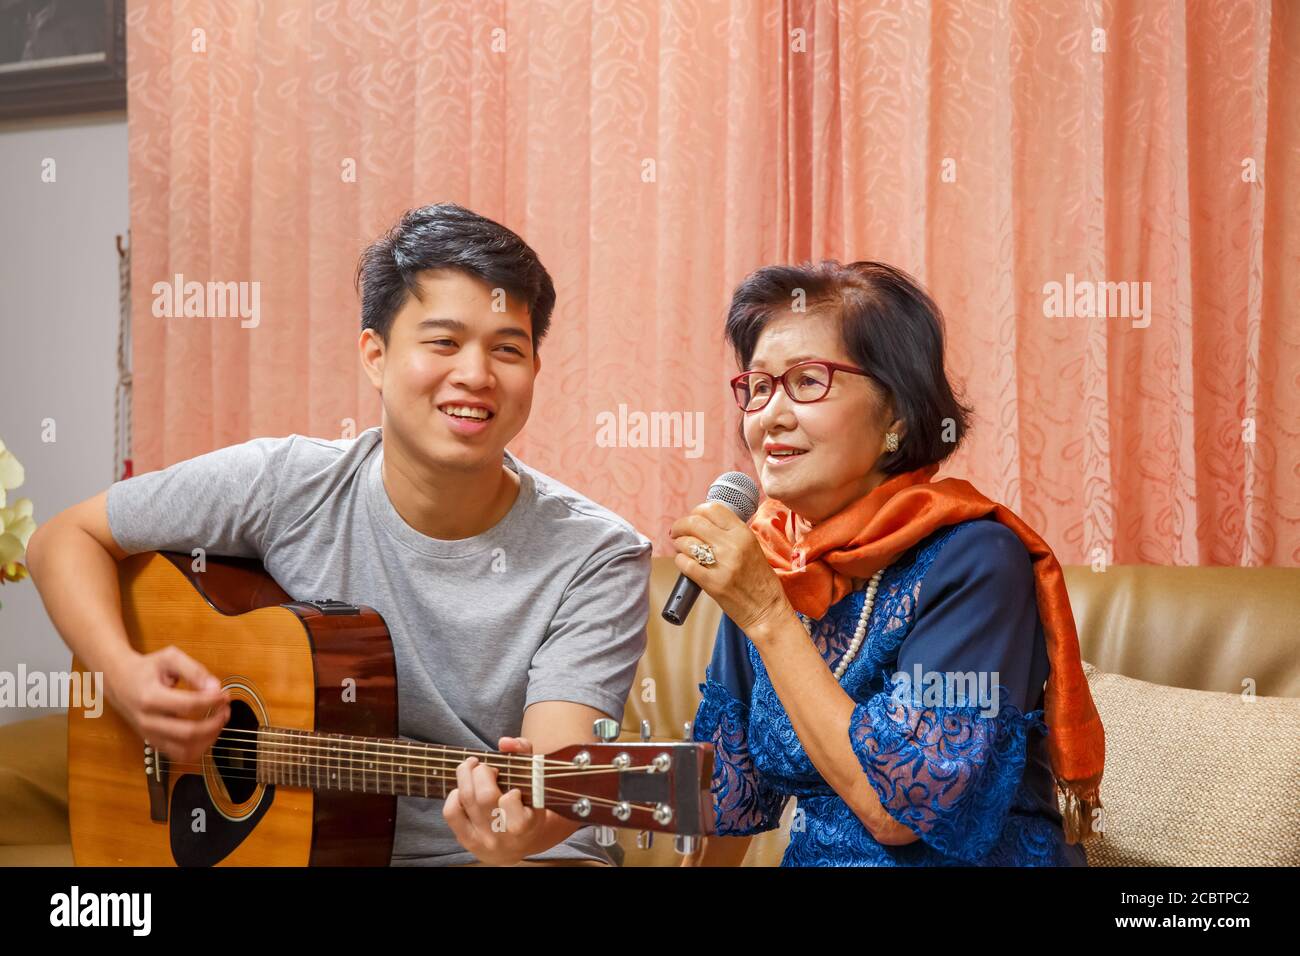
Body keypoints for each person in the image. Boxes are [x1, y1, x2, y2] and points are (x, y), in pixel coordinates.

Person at [27, 203, 652, 866]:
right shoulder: (287, 484)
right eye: (443, 342)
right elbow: (62, 540)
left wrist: (523, 829)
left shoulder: (597, 556)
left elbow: (553, 782)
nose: (476, 375)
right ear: (375, 356)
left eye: (507, 348)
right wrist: (125, 677)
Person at [669, 260, 1105, 866]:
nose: (770, 414)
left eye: (808, 381)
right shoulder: (770, 561)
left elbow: (899, 809)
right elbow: (728, 807)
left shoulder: (977, 561)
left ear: (896, 415)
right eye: (759, 386)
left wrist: (767, 616)